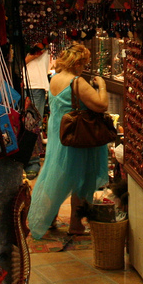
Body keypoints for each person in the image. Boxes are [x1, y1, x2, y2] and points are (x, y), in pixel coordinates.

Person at [27, 43, 109, 238]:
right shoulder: (77, 82)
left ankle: (48, 218)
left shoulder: (55, 78)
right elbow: (102, 105)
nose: (84, 67)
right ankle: (76, 224)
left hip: (59, 133)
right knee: (82, 179)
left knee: (56, 175)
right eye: (84, 63)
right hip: (76, 137)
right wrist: (102, 86)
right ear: (78, 63)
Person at [22, 45, 50, 178]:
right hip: (25, 82)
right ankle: (27, 161)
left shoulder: (40, 38)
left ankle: (32, 162)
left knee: (33, 126)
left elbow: (39, 51)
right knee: (25, 125)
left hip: (34, 83)